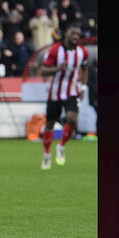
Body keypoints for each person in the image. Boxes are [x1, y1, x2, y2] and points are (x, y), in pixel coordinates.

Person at [38, 23, 88, 169]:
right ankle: (47, 155)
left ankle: (60, 146)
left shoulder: (82, 52)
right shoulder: (55, 50)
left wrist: (83, 87)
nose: (75, 37)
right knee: (50, 124)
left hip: (72, 90)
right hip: (55, 92)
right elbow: (43, 70)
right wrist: (58, 68)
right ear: (66, 34)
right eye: (73, 33)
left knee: (72, 118)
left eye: (78, 34)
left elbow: (85, 69)